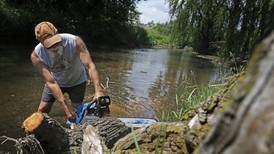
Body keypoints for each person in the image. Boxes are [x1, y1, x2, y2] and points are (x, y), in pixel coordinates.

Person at [31, 21, 106, 121]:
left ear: (57, 32)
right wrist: (65, 106)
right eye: (49, 44)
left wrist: (99, 91)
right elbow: (51, 82)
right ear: (40, 41)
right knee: (42, 110)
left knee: (76, 114)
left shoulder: (75, 41)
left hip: (77, 81)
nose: (54, 46)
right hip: (55, 82)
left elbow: (90, 65)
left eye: (55, 41)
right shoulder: (36, 56)